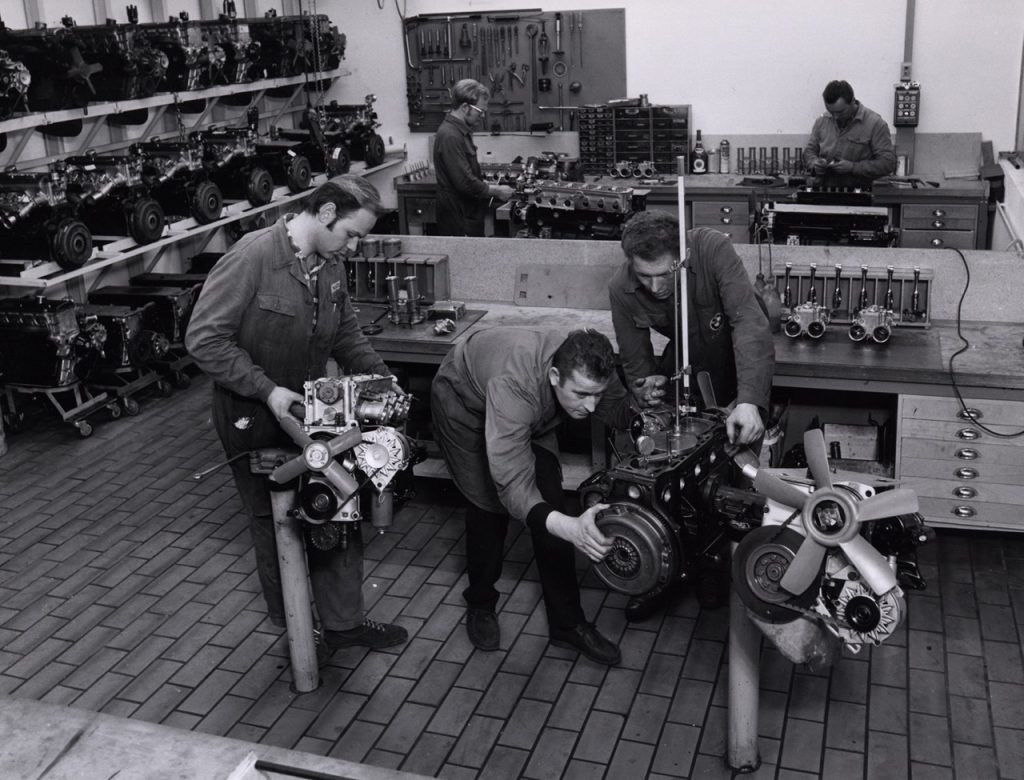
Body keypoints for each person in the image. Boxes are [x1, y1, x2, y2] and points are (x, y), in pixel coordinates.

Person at [185, 177, 407, 653]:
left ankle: (344, 623)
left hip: (312, 412)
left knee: (336, 513)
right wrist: (266, 389)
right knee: (276, 522)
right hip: (252, 415)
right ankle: (298, 631)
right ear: (325, 213)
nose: (354, 247)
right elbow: (203, 340)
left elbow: (345, 335)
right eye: (352, 234)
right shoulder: (252, 257)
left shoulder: (328, 266)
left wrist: (384, 380)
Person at [609, 211, 775, 619]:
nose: (655, 286)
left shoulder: (711, 248)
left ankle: (717, 568)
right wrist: (646, 390)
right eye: (644, 277)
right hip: (682, 366)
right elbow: (636, 362)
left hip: (735, 362)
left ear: (681, 257)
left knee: (730, 475)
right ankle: (663, 570)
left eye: (663, 274)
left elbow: (749, 323)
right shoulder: (621, 288)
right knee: (665, 469)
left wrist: (750, 399)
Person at [431, 328, 632, 665]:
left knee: (551, 503)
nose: (591, 405)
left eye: (596, 394)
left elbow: (617, 412)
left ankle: (567, 624)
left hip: (527, 414)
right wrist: (568, 528)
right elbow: (512, 485)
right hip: (464, 405)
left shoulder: (592, 370)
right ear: (555, 376)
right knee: (488, 504)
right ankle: (480, 602)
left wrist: (642, 401)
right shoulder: (516, 384)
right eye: (582, 394)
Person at [433, 78, 515, 236]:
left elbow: (465, 173)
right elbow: (464, 182)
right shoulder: (451, 135)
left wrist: (482, 183)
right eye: (480, 111)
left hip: (467, 211)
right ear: (465, 107)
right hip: (458, 216)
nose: (483, 116)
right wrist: (496, 190)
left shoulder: (460, 131)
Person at [803, 79, 896, 189]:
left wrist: (853, 167)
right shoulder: (822, 121)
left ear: (852, 101)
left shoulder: (875, 124)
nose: (835, 117)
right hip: (825, 192)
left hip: (860, 195)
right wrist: (815, 164)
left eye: (841, 112)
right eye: (831, 112)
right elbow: (809, 151)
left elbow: (887, 163)